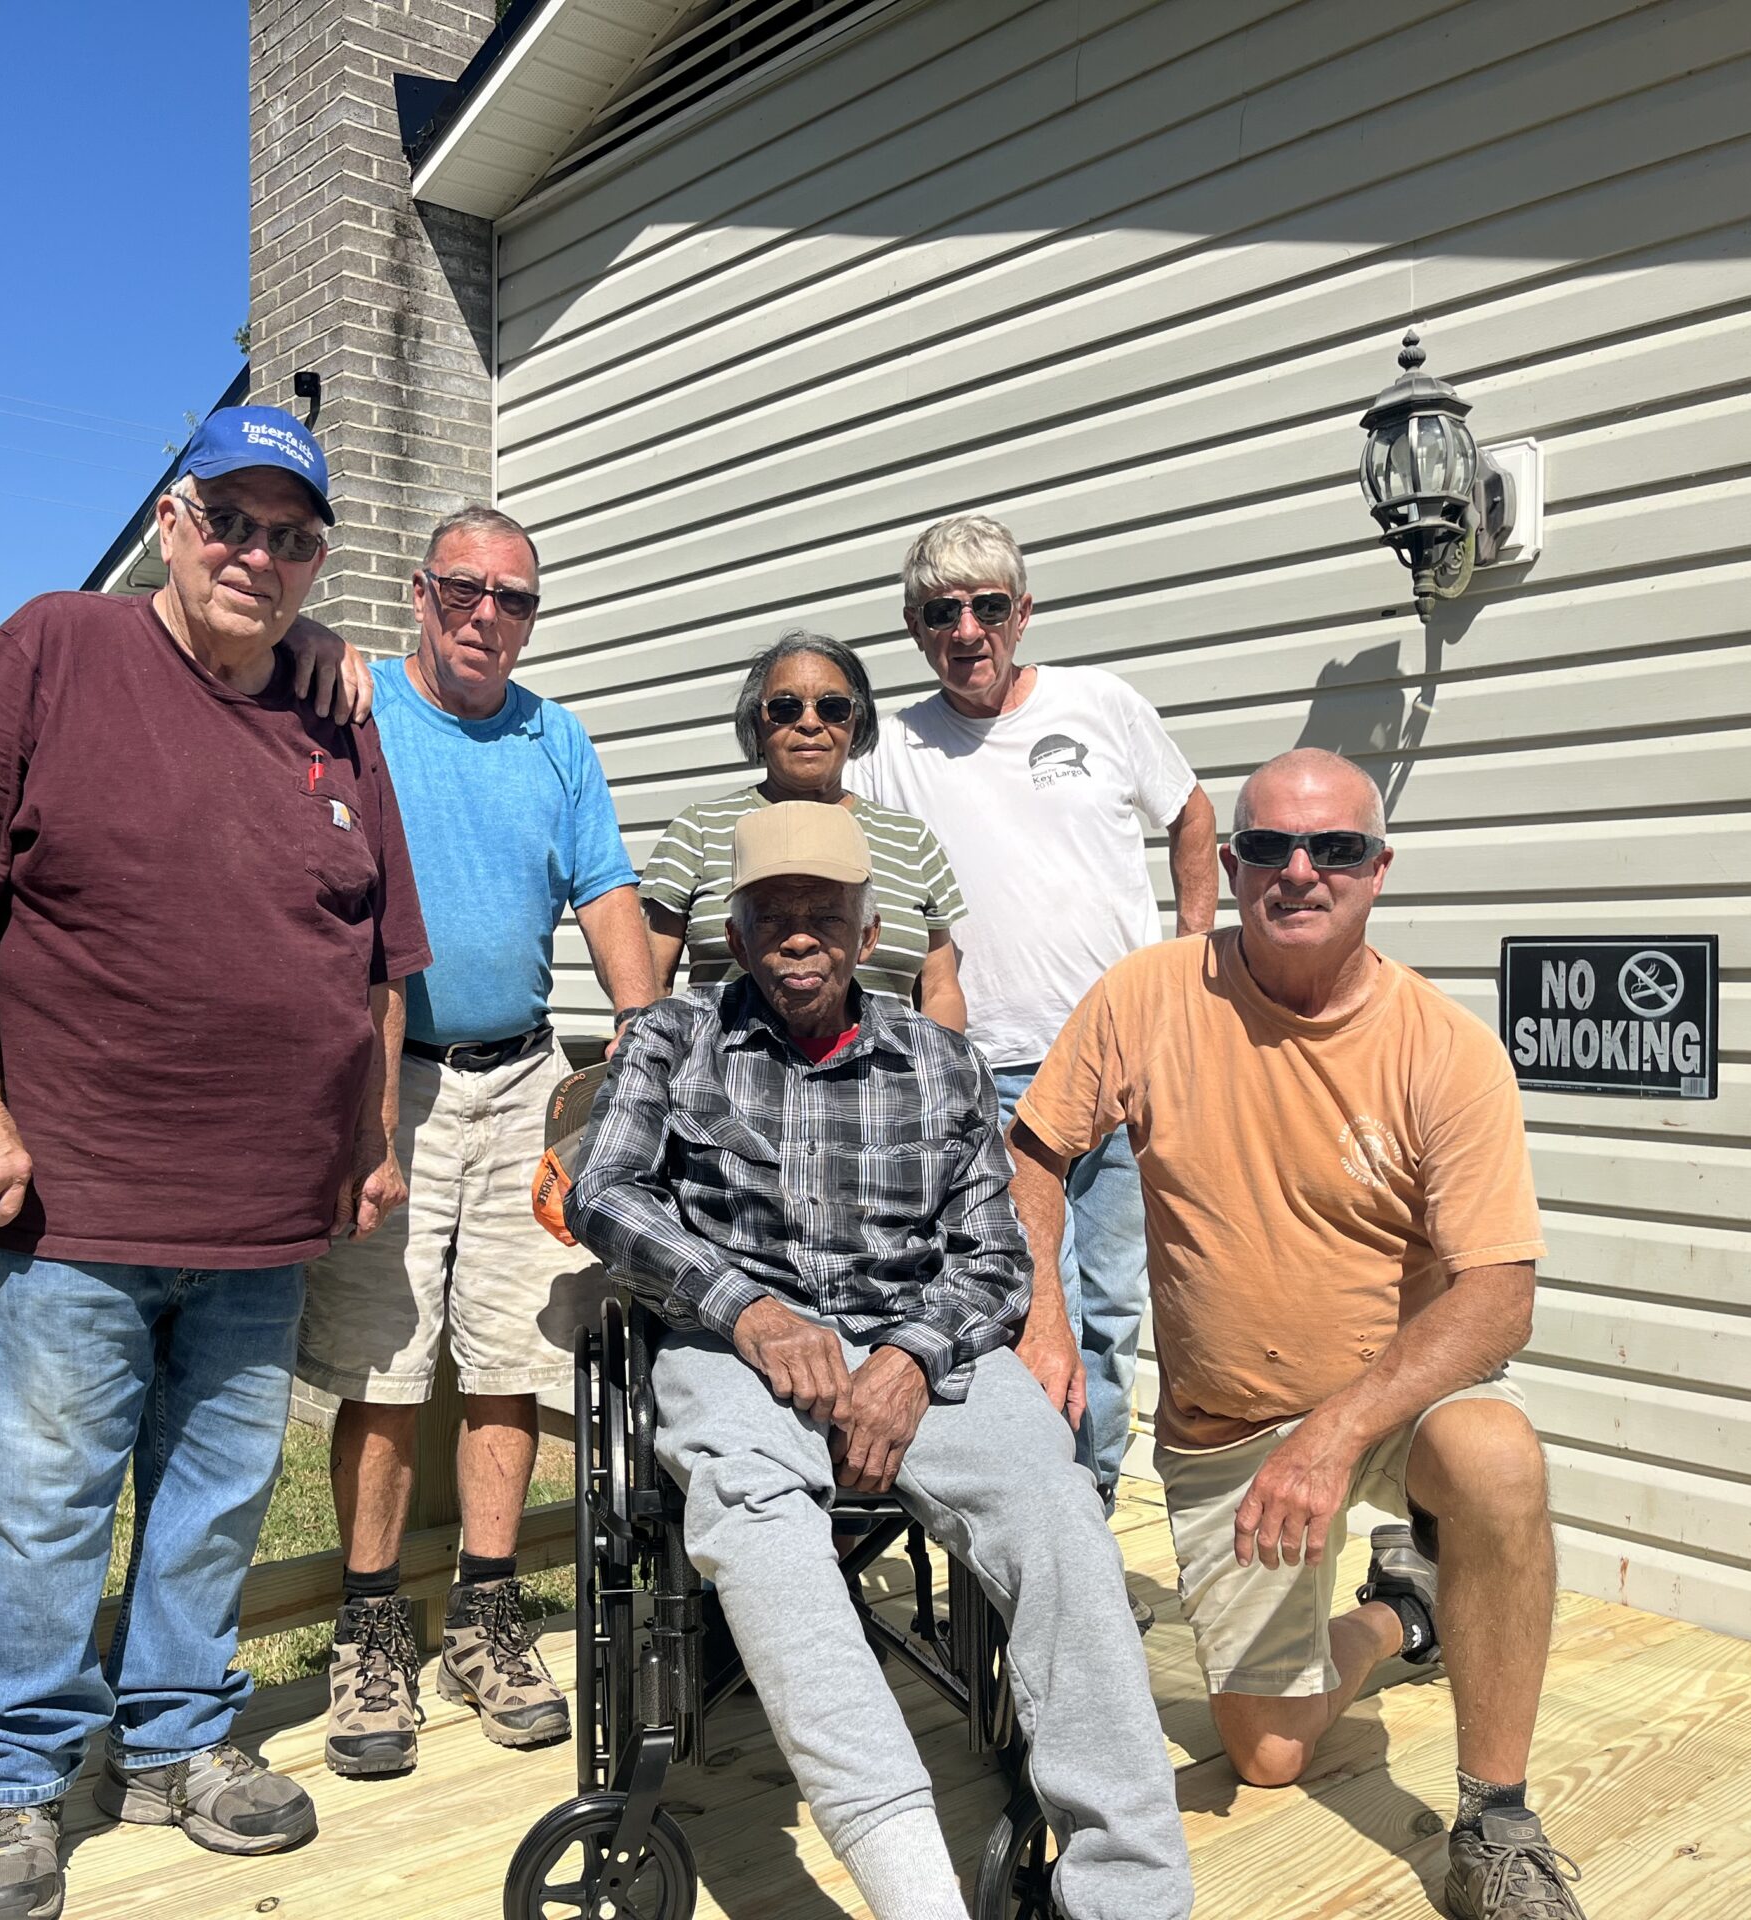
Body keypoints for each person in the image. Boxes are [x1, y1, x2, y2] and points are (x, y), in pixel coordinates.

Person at [0, 405, 412, 1920]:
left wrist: (369, 1140)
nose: (258, 554)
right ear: (174, 522)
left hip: (266, 1203)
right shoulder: (60, 646)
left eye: (292, 536)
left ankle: (180, 1741)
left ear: (318, 562)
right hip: (76, 1190)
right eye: (232, 523)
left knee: (222, 1488)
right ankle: (19, 1782)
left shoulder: (336, 715)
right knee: (49, 1496)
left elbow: (379, 957)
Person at [566, 801, 1191, 1920]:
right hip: (731, 1347)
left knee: (1056, 1506)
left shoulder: (941, 1059)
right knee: (756, 1517)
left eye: (822, 914)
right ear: (737, 928)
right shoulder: (672, 1037)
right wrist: (747, 1310)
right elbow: (602, 1191)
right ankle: (914, 1894)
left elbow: (995, 1256)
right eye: (771, 914)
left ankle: (1131, 1895)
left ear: (866, 931)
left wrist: (906, 1359)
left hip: (918, 1344)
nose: (796, 936)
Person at [1007, 748, 1585, 1920]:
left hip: (1389, 1404)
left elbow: (1497, 1297)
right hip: (1226, 1428)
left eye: (1335, 849)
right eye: (1268, 846)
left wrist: (1333, 1438)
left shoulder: (1445, 1046)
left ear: (1379, 869)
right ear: (1230, 865)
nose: (1299, 872)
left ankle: (1497, 1820)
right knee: (1267, 1753)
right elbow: (1033, 1148)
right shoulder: (1149, 994)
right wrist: (1045, 1319)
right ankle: (1399, 1611)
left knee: (1495, 1456)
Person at [296, 505, 656, 1779]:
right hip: (388, 1081)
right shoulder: (352, 702)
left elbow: (605, 886)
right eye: (465, 589)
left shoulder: (554, 737)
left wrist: (639, 1030)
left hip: (524, 1076)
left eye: (514, 599)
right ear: (420, 591)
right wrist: (310, 634)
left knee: (511, 1351)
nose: (487, 616)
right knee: (384, 1366)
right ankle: (369, 1629)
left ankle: (489, 1618)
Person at [850, 512, 1217, 1505]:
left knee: (1111, 1308)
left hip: (1125, 1065)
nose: (965, 630)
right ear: (914, 627)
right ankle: (1028, 1508)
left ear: (1023, 612)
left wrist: (1188, 956)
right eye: (940, 612)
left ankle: (1084, 1506)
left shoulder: (1099, 705)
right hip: (988, 1076)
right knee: (1011, 1307)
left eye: (986, 607)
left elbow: (1190, 813)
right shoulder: (887, 748)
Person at [642, 630, 968, 1029]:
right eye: (785, 708)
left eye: (832, 708)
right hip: (727, 1085)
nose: (809, 723)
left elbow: (940, 990)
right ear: (757, 726)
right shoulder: (698, 830)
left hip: (884, 1088)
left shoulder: (911, 840)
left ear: (856, 722)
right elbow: (648, 981)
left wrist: (942, 1075)